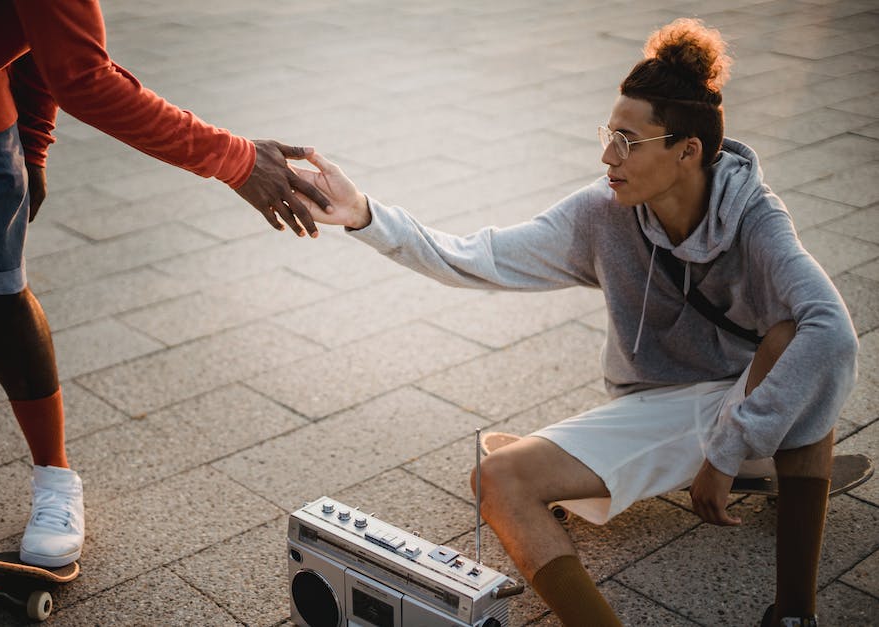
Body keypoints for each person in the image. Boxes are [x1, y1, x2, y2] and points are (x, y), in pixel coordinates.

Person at [293, 18, 857, 626]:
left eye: (629, 141)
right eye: (608, 133)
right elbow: (476, 257)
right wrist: (364, 215)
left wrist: (729, 447)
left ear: (687, 150)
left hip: (747, 406)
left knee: (800, 337)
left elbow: (833, 331)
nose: (608, 156)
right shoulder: (600, 214)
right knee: (498, 477)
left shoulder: (756, 221)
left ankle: (795, 614)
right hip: (659, 408)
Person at [0, 1, 329, 568]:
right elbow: (87, 81)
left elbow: (51, 43)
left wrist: (33, 137)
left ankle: (54, 480)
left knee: (2, 292)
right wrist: (238, 160)